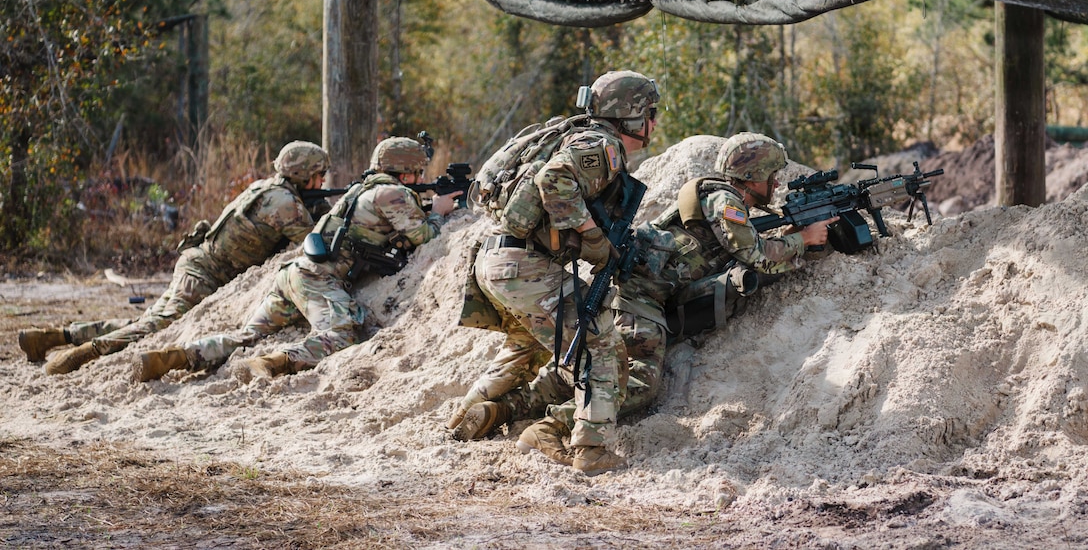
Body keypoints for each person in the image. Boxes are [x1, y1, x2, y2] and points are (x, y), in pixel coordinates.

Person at [452, 132, 839, 464]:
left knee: (584, 366)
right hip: (642, 298)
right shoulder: (726, 202)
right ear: (752, 175)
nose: (776, 184)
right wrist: (803, 240)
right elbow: (756, 256)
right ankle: (551, 427)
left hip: (641, 290)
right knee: (637, 382)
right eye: (772, 175)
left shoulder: (718, 196)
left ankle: (503, 409)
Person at [449, 69, 660, 476]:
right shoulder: (602, 145)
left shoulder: (568, 134)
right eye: (649, 112)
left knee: (524, 348)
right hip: (523, 266)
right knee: (602, 345)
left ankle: (467, 417)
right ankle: (592, 450)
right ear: (630, 114)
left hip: (495, 259)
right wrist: (593, 237)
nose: (653, 122)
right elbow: (556, 179)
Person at [134, 136, 461, 383]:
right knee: (342, 335)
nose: (421, 179)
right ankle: (273, 363)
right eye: (418, 173)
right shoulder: (393, 193)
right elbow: (426, 237)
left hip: (293, 275)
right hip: (318, 281)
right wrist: (440, 212)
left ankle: (179, 356)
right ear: (405, 173)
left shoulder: (361, 190)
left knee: (248, 335)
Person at [20, 141, 331, 375]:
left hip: (197, 263)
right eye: (319, 176)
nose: (322, 183)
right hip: (204, 274)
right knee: (156, 325)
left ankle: (52, 337)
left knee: (147, 322)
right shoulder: (286, 204)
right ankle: (82, 354)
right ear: (302, 175)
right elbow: (315, 242)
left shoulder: (266, 188)